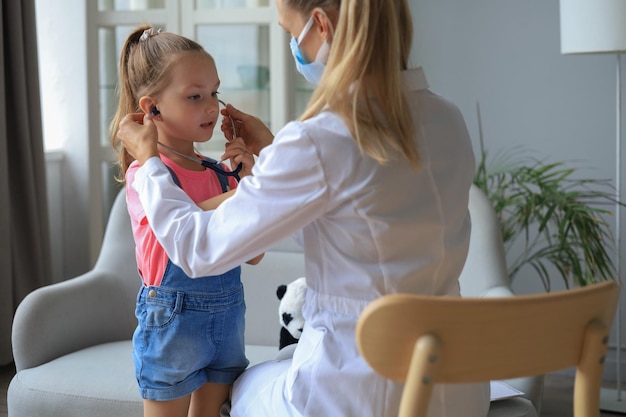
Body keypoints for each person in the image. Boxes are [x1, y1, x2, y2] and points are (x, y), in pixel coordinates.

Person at [117, 1, 491, 416]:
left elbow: (196, 249)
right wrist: (276, 155)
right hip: (455, 387)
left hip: (356, 392)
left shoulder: (321, 138)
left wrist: (151, 163)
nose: (294, 44)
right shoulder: (446, 118)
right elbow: (341, 218)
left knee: (245, 387)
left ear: (319, 25)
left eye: (289, 30)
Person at [109, 25, 261, 417]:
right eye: (195, 96)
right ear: (151, 107)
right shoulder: (147, 176)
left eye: (215, 92)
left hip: (228, 319)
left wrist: (246, 177)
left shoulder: (218, 172)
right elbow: (185, 224)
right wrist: (253, 191)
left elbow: (255, 253)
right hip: (172, 322)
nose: (212, 107)